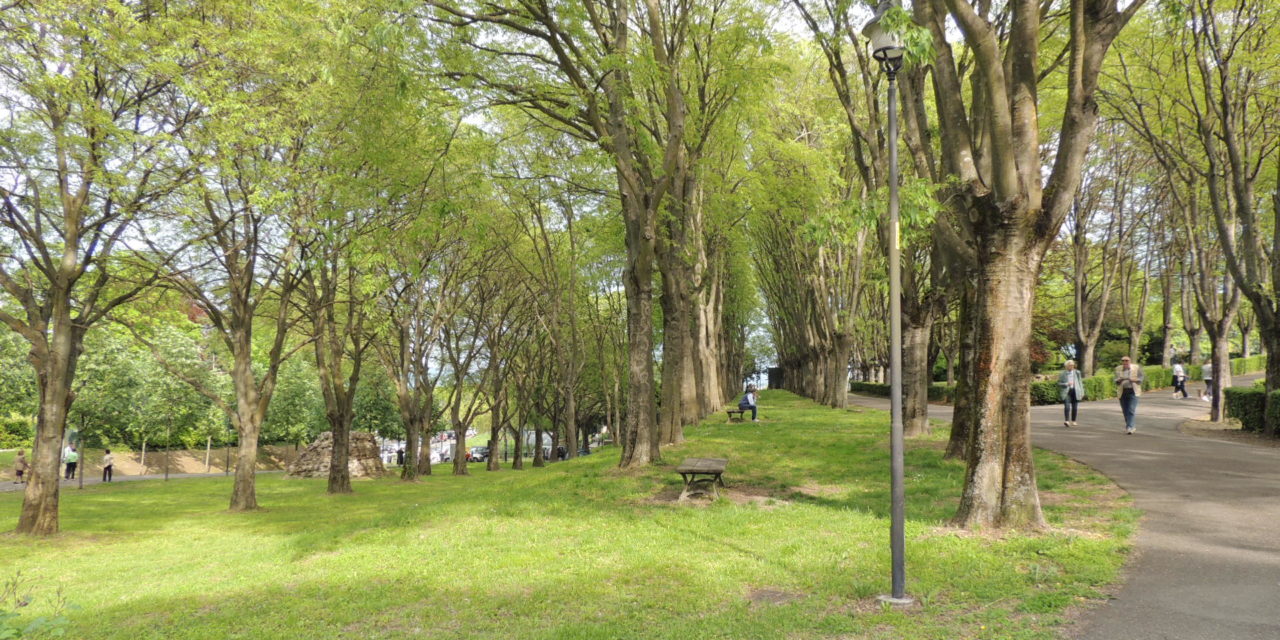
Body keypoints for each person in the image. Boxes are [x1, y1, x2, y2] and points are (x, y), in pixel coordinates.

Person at [1114, 357, 1144, 434]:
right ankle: (1131, 426)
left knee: (1131, 410)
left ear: (1130, 361)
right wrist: (1119, 380)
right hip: (1122, 391)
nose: (1125, 362)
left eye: (1126, 361)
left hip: (1133, 391)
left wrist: (1134, 380)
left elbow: (1141, 378)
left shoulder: (1136, 367)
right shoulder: (1118, 369)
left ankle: (1130, 427)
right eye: (1123, 361)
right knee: (1125, 411)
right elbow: (1115, 380)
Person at [1058, 360, 1085, 427]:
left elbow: (1080, 382)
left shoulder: (1077, 372)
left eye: (1072, 365)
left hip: (1075, 391)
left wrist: (1082, 392)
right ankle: (1067, 421)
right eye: (1070, 365)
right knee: (1067, 407)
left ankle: (1074, 421)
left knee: (1075, 407)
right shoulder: (1062, 373)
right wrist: (1066, 384)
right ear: (1066, 366)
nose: (1072, 366)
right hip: (1067, 392)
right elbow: (1058, 383)